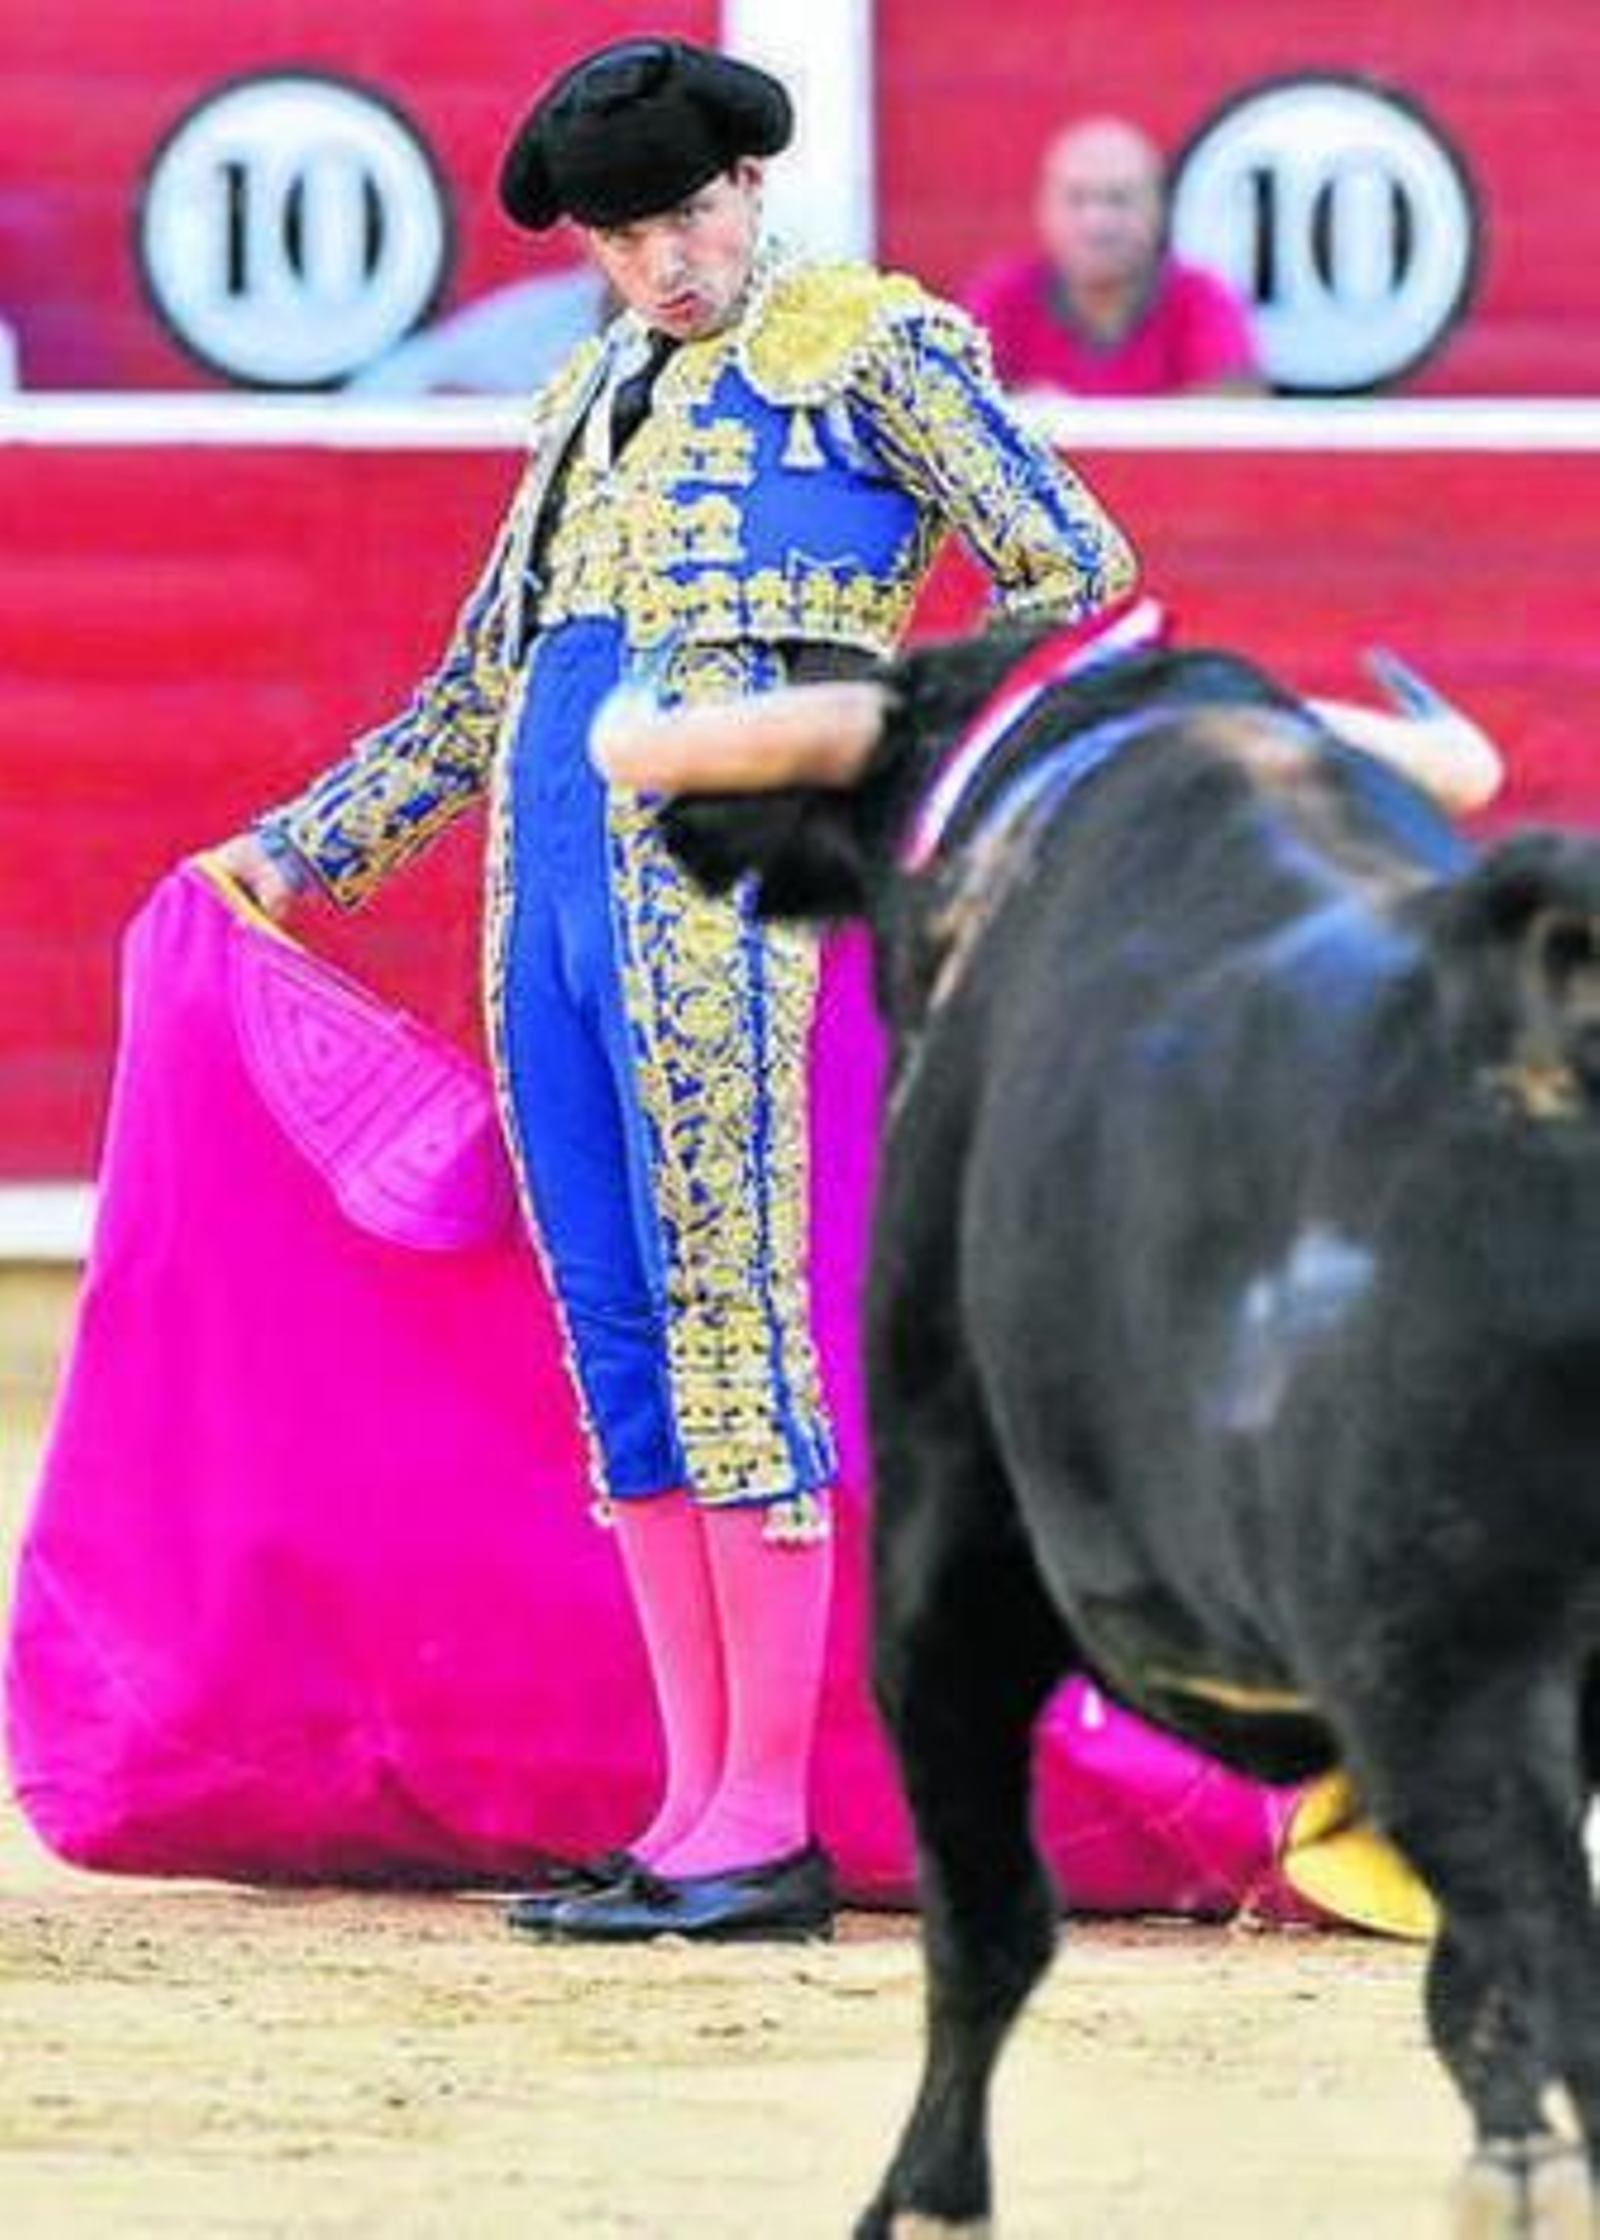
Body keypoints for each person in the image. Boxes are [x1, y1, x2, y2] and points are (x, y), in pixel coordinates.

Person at [208, 34, 1137, 1942]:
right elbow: (482, 684)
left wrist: (869, 748)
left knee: (734, 1316)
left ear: (749, 191)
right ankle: (691, 1798)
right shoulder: (586, 398)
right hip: (544, 887)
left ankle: (767, 1819)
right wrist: (301, 850)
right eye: (624, 239)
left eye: (684, 218)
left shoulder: (872, 346)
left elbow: (1082, 577)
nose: (661, 265)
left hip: (733, 892)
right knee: (618, 1325)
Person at [965, 115, 1264, 398]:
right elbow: (948, 403)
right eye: (1076, 199)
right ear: (1044, 209)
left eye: (1119, 200)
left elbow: (1237, 409)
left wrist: (1086, 422)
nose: (1097, 222)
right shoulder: (1004, 297)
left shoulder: (1201, 297)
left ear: (1158, 210)